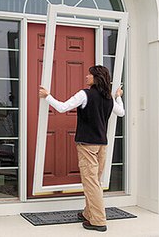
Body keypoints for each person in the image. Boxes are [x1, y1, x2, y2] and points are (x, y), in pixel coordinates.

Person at [39, 65, 125, 232]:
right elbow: (121, 112)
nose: (86, 76)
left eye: (89, 74)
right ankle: (88, 213)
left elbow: (63, 107)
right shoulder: (108, 98)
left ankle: (98, 221)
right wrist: (118, 97)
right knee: (94, 182)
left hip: (87, 145)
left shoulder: (84, 94)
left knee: (91, 183)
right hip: (102, 146)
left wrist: (47, 96)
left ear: (96, 77)